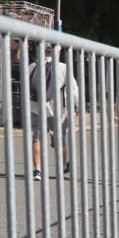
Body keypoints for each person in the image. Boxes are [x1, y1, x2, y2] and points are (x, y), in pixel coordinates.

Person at [29, 44, 79, 182]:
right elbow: (73, 90)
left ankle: (37, 170)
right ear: (57, 52)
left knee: (36, 138)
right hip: (56, 109)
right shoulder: (63, 67)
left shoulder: (33, 66)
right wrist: (75, 106)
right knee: (59, 139)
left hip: (35, 107)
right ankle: (63, 166)